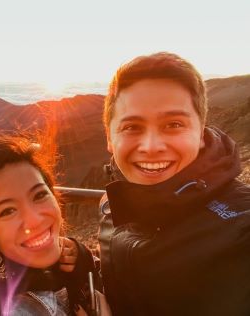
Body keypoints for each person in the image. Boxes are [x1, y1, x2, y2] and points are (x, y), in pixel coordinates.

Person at [99, 52, 250, 316]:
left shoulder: (240, 231)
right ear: (110, 138)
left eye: (174, 124)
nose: (152, 146)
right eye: (132, 127)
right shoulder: (111, 209)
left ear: (201, 133)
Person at [0, 133, 103, 315]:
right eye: (8, 211)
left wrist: (83, 261)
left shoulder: (42, 277)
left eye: (39, 195)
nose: (35, 220)